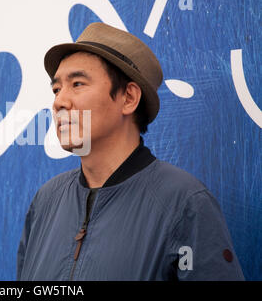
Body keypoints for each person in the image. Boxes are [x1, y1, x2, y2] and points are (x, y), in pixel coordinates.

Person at [16, 22, 245, 280]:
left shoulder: (184, 204)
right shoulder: (46, 202)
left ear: (128, 98)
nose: (59, 101)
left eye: (77, 84)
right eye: (56, 89)